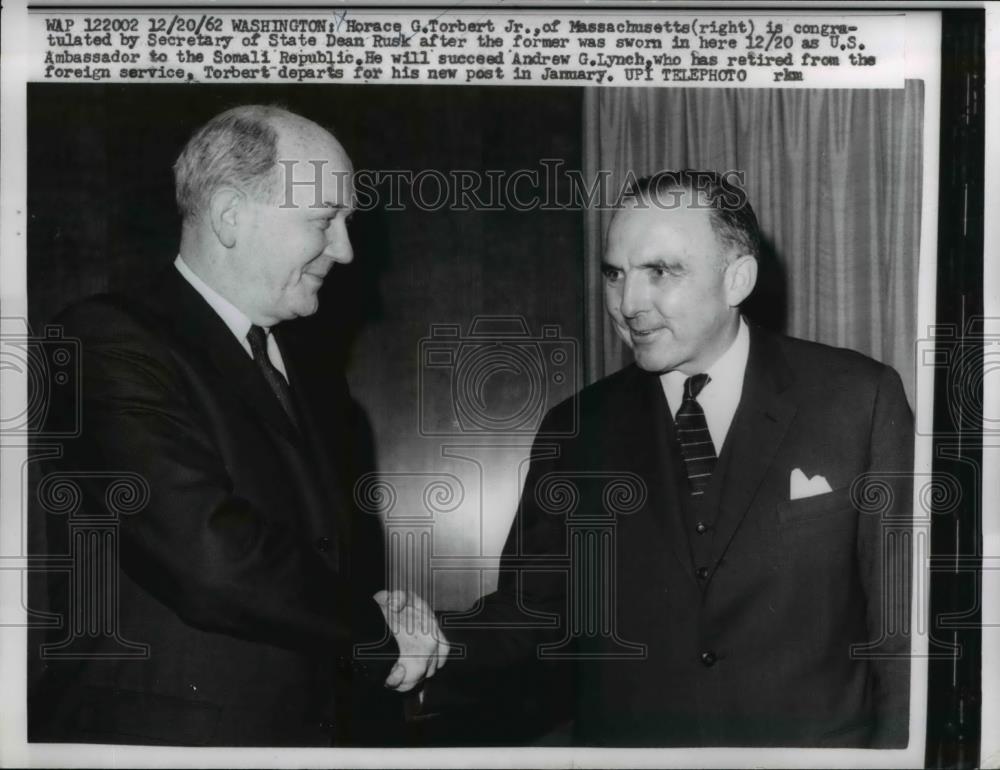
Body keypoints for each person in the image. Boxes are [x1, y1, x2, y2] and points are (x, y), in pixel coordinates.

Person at [421, 170, 913, 748]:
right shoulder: (575, 429)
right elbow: (531, 612)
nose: (628, 304)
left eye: (661, 271)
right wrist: (427, 641)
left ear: (737, 279)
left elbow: (903, 631)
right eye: (615, 274)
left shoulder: (857, 399)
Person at [29, 105, 446, 746]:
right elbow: (210, 559)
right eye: (324, 220)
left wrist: (375, 611)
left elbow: (309, 567)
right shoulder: (104, 341)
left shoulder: (314, 380)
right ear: (230, 214)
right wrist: (373, 629)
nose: (345, 250)